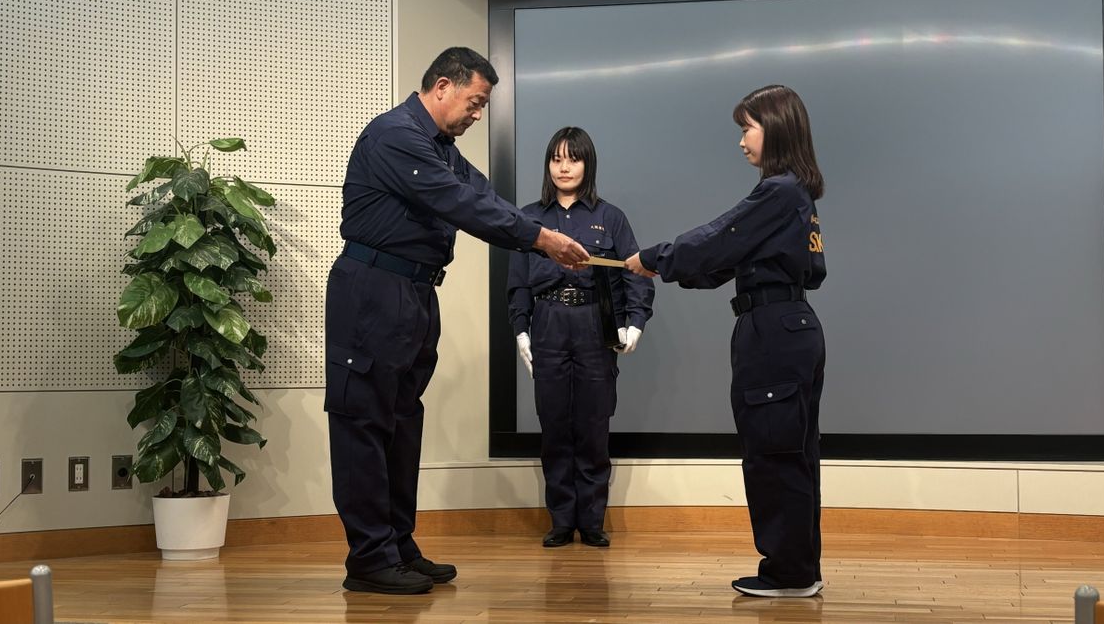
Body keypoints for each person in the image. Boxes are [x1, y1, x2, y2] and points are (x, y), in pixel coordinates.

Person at [324, 47, 589, 595]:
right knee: (365, 422)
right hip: (372, 291)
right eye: (474, 102)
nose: (477, 114)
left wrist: (541, 232)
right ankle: (368, 558)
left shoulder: (443, 149)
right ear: (443, 86)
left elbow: (484, 198)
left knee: (401, 422)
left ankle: (397, 545)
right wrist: (541, 238)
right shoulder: (396, 134)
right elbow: (458, 204)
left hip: (415, 294)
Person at [625, 85, 828, 598]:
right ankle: (799, 567)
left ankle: (789, 573)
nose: (742, 140)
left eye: (748, 127)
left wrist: (655, 258)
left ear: (776, 128)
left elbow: (719, 237)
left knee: (774, 452)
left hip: (773, 332)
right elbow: (733, 258)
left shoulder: (778, 191)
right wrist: (672, 269)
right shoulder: (794, 194)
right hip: (791, 326)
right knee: (793, 452)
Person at [507, 127, 655, 549]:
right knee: (554, 425)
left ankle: (591, 520)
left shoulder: (611, 218)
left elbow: (635, 275)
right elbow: (517, 282)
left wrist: (636, 321)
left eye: (573, 158)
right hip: (548, 323)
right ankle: (560, 520)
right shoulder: (529, 219)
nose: (564, 167)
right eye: (556, 158)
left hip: (595, 324)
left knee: (593, 425)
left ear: (587, 164)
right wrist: (521, 328)